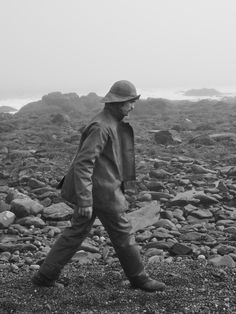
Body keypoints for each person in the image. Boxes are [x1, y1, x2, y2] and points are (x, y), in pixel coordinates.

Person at [32, 80, 166, 292]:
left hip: (100, 190)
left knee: (75, 233)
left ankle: (45, 276)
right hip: (101, 194)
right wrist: (85, 200)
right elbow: (83, 163)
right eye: (130, 102)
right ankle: (139, 279)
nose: (132, 106)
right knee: (123, 234)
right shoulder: (101, 126)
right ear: (117, 103)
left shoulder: (110, 122)